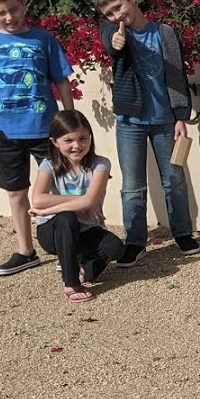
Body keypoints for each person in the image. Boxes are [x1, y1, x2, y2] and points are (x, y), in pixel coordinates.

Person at [0, 0, 76, 277]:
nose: (9, 17)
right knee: (16, 192)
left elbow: (61, 80)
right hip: (5, 132)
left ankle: (67, 246)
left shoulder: (43, 39)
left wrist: (70, 119)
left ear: (23, 5)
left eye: (14, 9)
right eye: (1, 12)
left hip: (45, 129)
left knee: (60, 187)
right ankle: (26, 251)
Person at [92, 0, 200, 264]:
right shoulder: (113, 32)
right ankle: (135, 241)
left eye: (118, 7)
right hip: (130, 121)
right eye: (109, 13)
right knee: (132, 186)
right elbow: (110, 41)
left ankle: (183, 233)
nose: (117, 16)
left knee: (174, 179)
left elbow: (176, 76)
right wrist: (115, 40)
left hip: (165, 120)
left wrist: (181, 116)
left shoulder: (164, 33)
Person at [30, 110, 124, 303]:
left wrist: (49, 209)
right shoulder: (48, 165)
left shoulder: (100, 164)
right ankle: (71, 284)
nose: (77, 146)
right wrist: (78, 202)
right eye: (68, 140)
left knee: (114, 247)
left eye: (83, 138)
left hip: (87, 228)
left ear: (90, 137)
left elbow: (89, 201)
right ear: (55, 142)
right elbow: (38, 200)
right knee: (66, 218)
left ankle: (80, 267)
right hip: (53, 232)